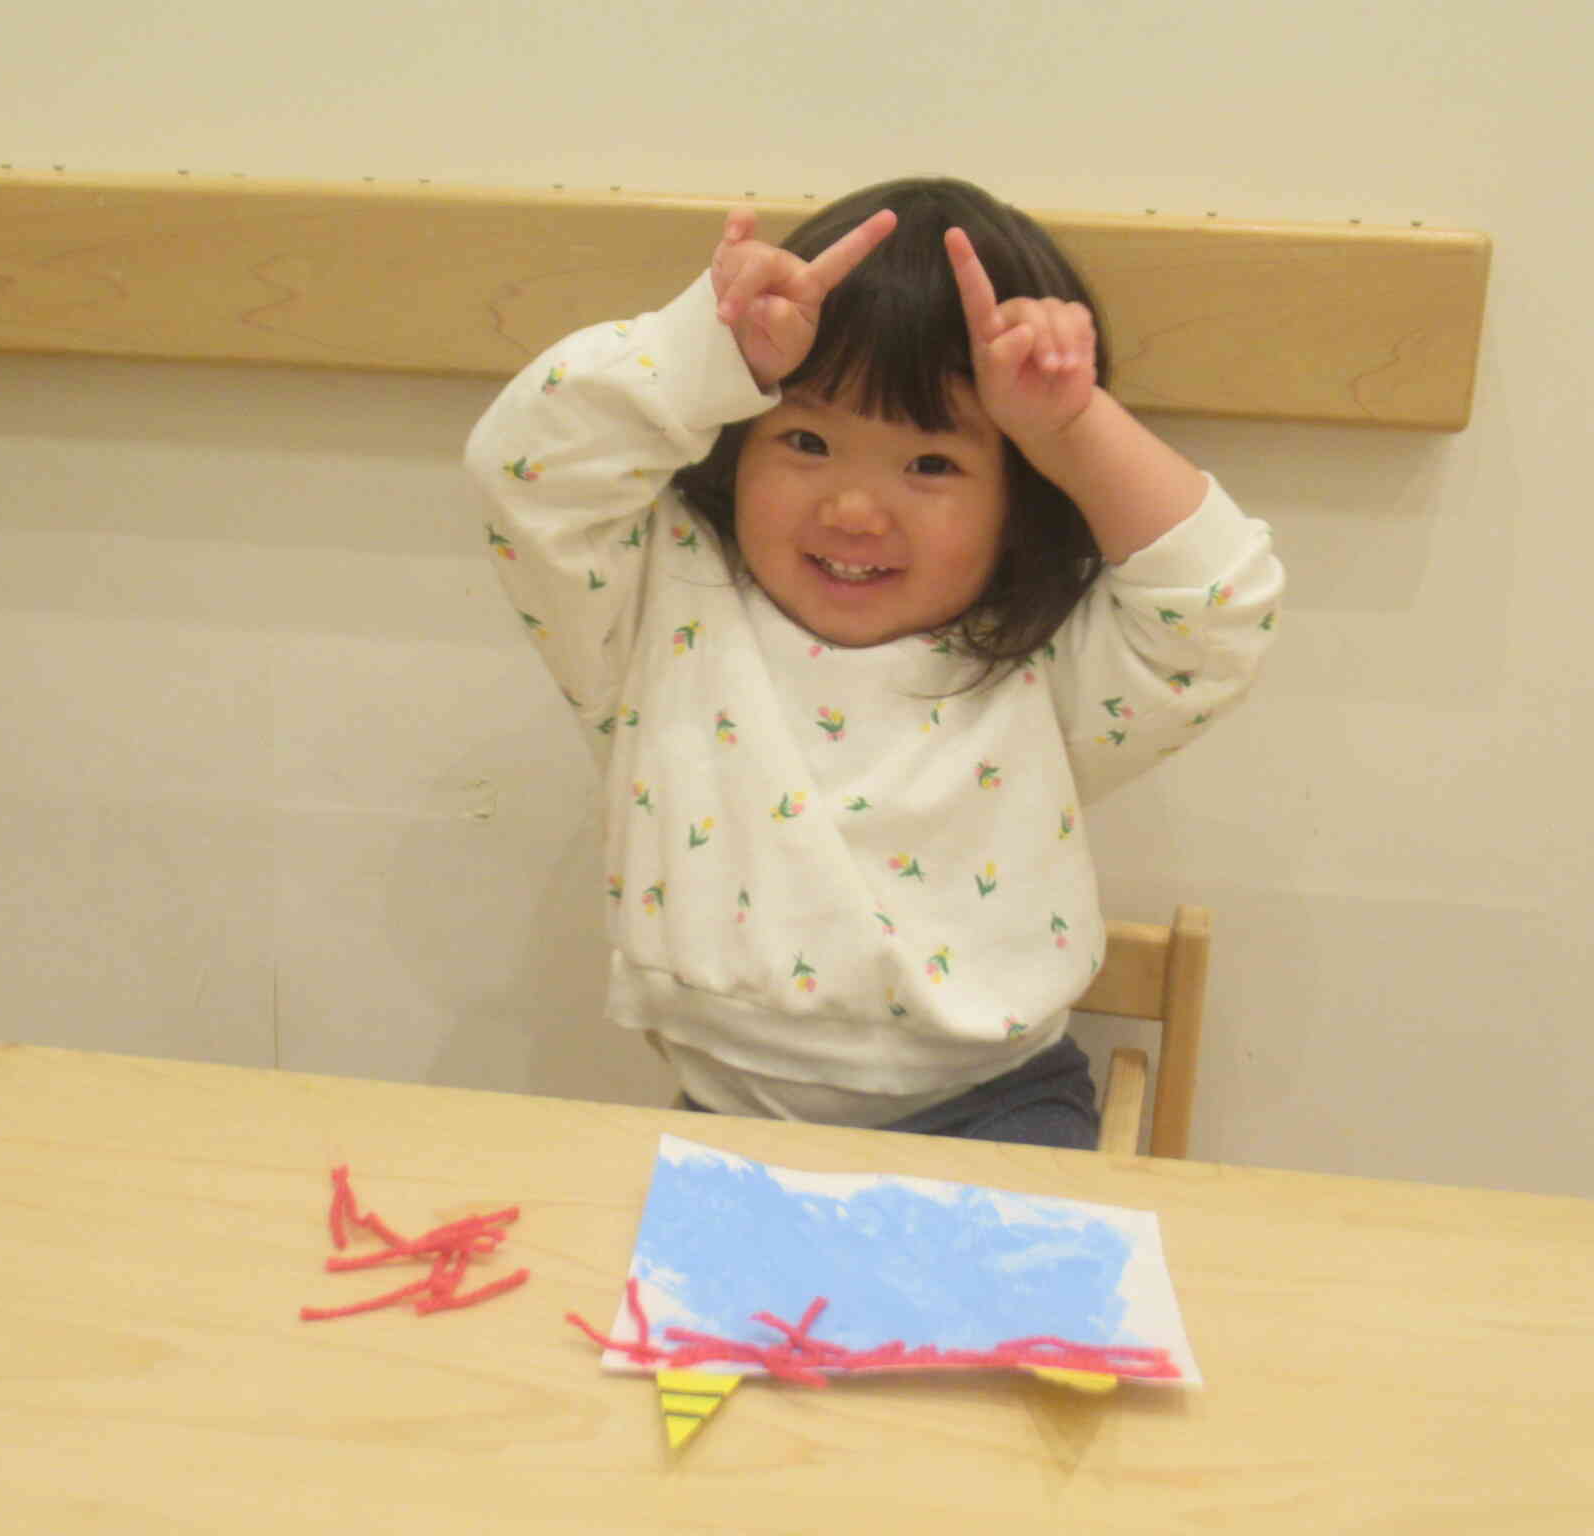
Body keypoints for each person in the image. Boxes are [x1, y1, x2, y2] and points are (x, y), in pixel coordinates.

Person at [465, 177, 1283, 1149]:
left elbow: (1217, 608)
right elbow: (525, 471)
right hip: (729, 1122)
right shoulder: (658, 604)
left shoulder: (1043, 664)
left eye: (931, 464)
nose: (853, 510)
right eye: (806, 440)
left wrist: (1071, 428)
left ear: (1019, 495)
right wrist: (706, 353)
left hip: (999, 1112)